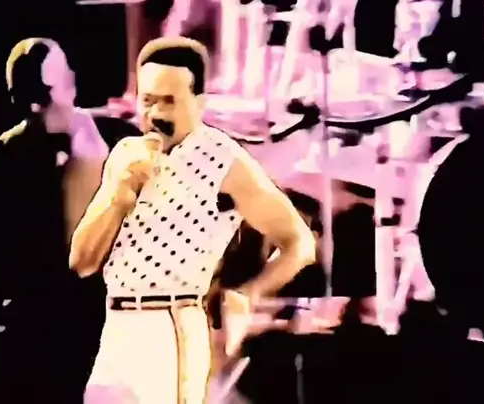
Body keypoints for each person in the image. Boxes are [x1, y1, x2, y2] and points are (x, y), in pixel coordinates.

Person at [71, 37, 316, 404]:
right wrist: (116, 198)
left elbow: (300, 243)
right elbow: (82, 262)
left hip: (172, 325)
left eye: (170, 101)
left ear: (199, 101)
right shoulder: (126, 153)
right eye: (148, 100)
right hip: (117, 323)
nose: (156, 114)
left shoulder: (223, 160)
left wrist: (247, 294)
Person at [0, 38, 109, 403]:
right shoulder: (2, 163)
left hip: (76, 328)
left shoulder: (97, 141)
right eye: (62, 84)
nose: (70, 92)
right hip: (42, 329)